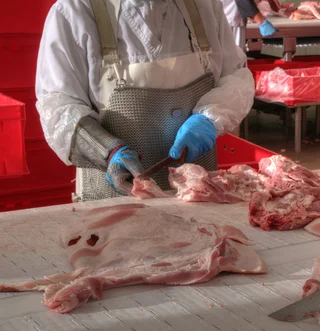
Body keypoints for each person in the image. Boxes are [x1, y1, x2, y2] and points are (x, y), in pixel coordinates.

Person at [36, 0, 255, 201]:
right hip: (114, 199)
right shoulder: (75, 11)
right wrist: (106, 150)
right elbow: (59, 105)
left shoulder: (204, 6)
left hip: (198, 195)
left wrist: (210, 117)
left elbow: (235, 76)